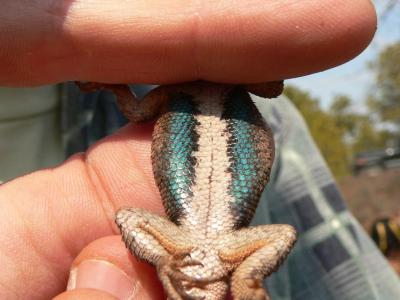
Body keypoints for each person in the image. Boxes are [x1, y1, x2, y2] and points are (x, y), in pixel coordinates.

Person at [1, 1, 397, 300]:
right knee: (131, 217)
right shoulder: (163, 90)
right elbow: (136, 110)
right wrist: (114, 85)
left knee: (131, 216)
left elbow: (274, 87)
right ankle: (234, 278)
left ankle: (244, 281)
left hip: (211, 245)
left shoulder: (238, 87)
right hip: (190, 243)